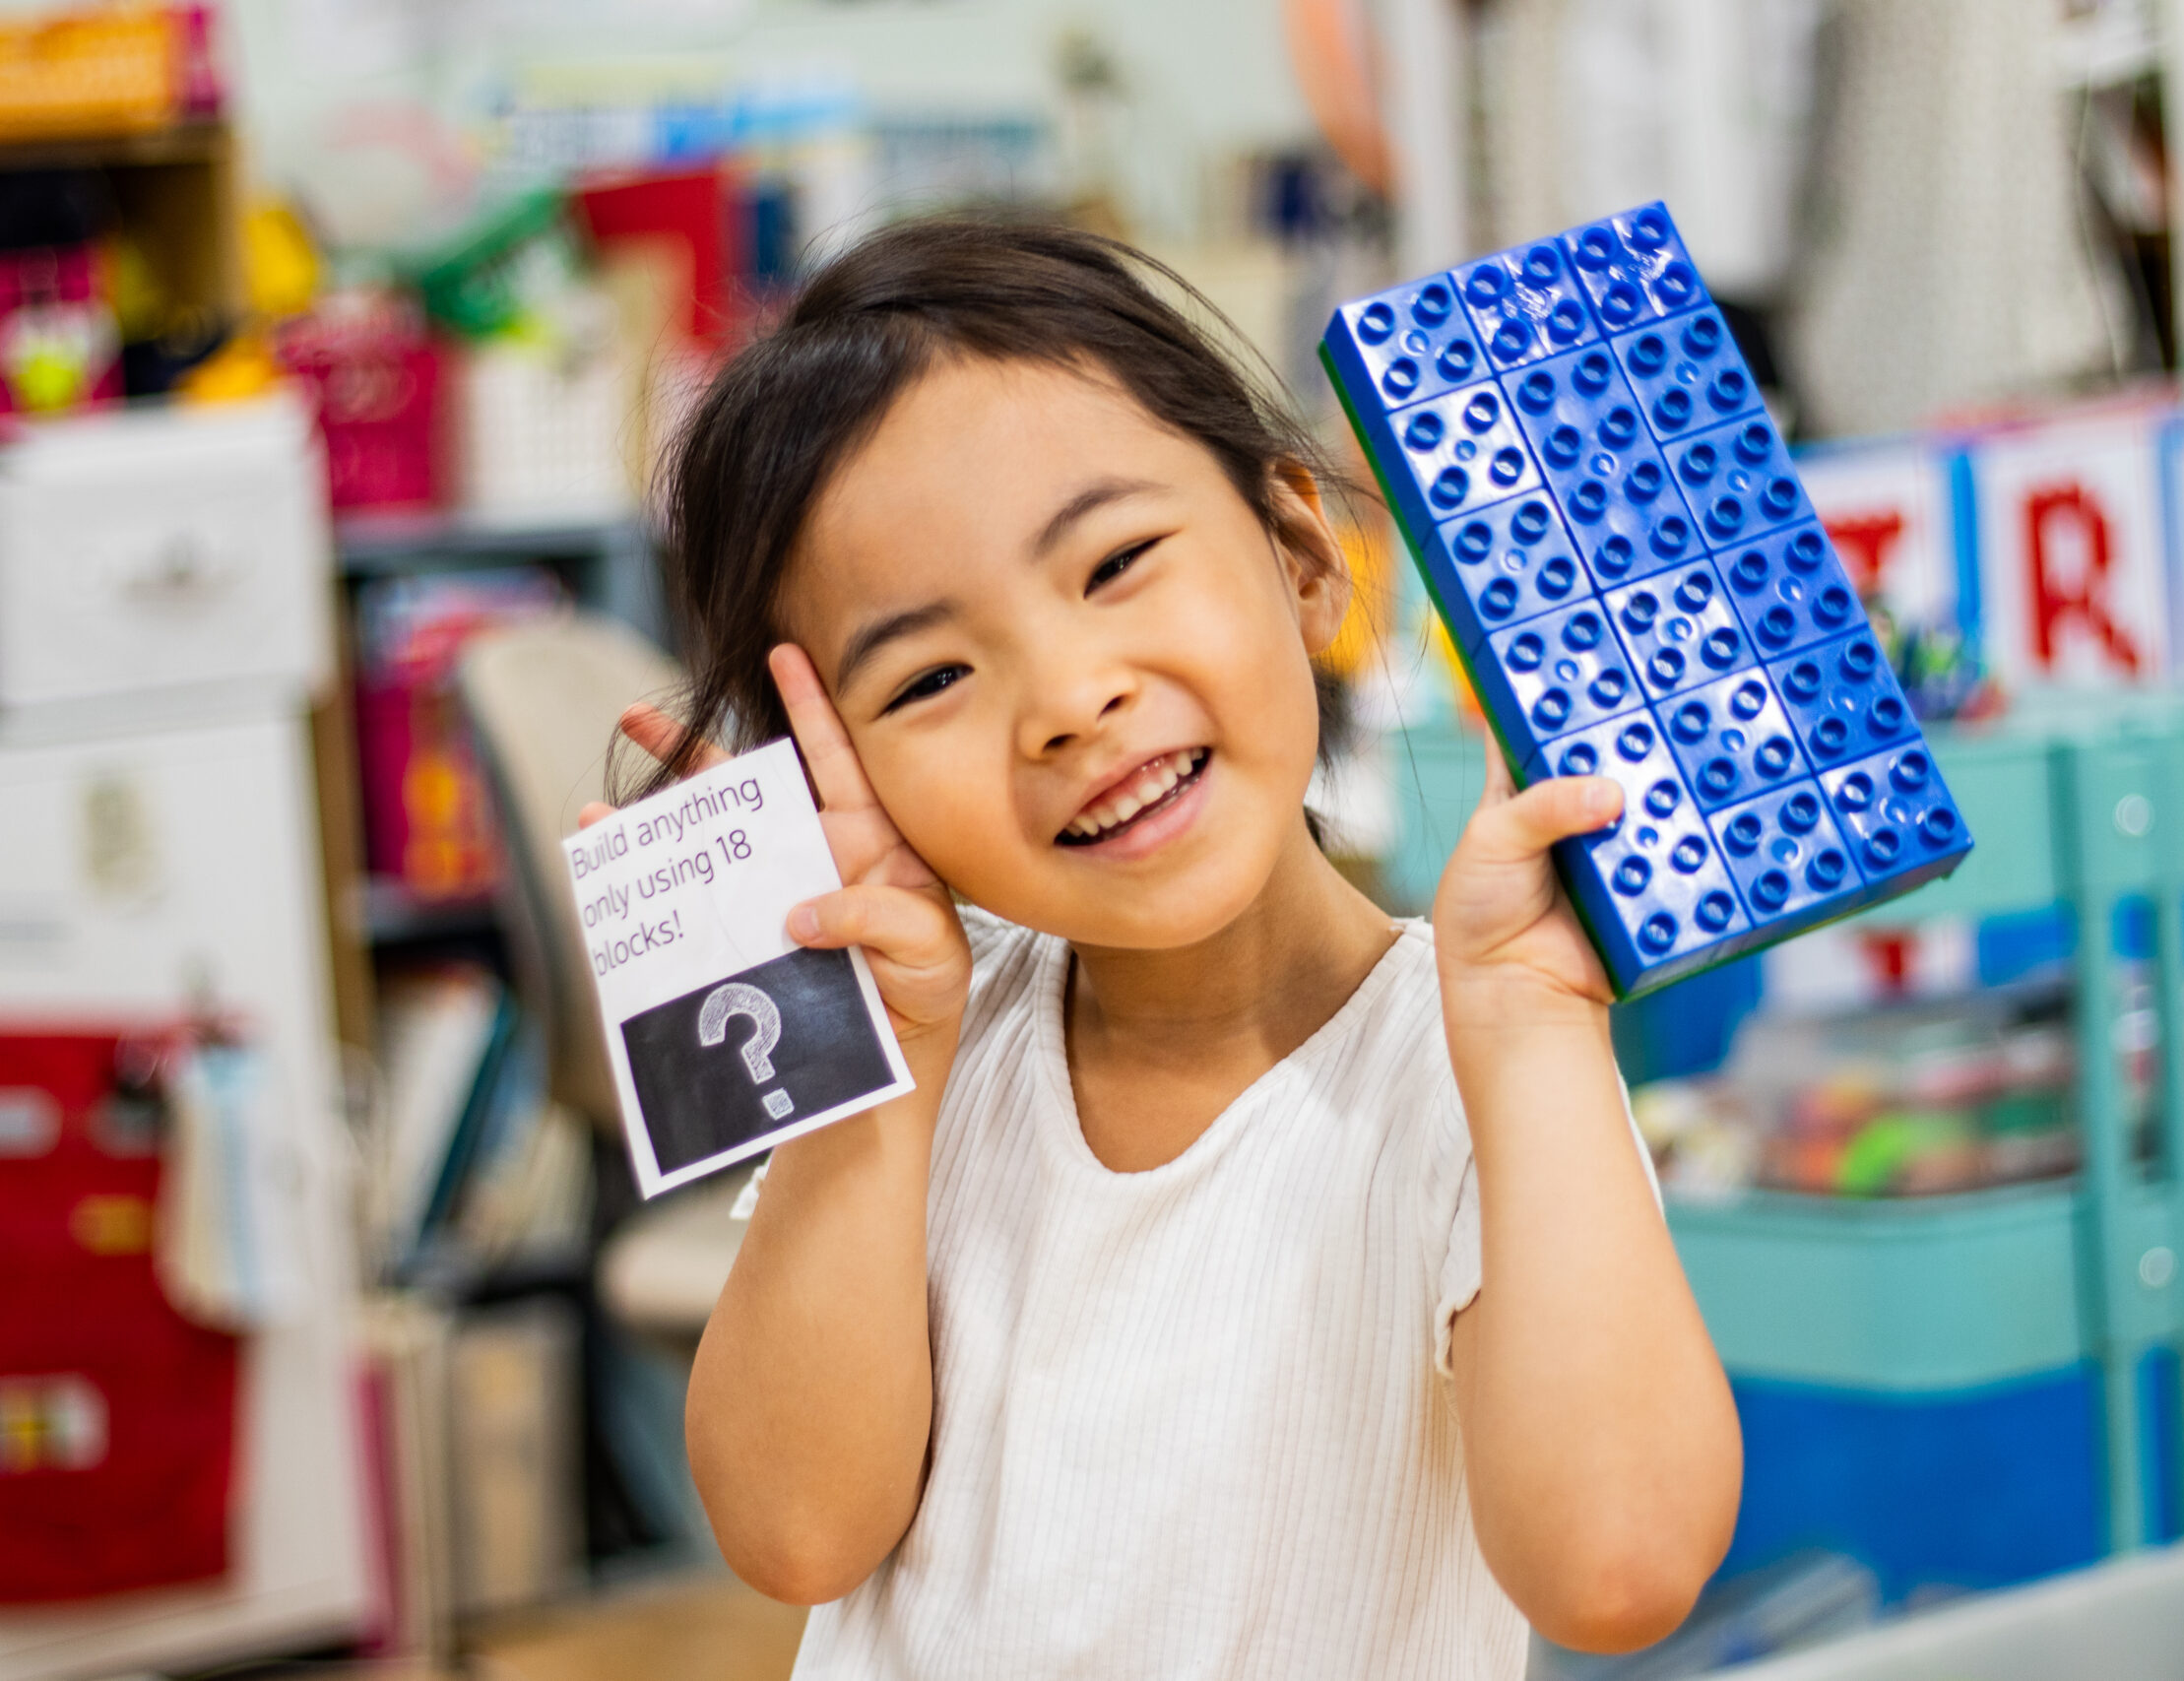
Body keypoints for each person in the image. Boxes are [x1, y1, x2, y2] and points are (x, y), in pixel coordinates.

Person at [599, 218, 1741, 1678]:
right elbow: (793, 1533)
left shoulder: (1480, 1059)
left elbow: (1618, 1569)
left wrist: (1529, 1035)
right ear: (843, 773)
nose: (1069, 700)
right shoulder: (913, 1059)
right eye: (932, 674)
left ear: (1302, 557)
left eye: (1118, 560)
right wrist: (871, 1074)